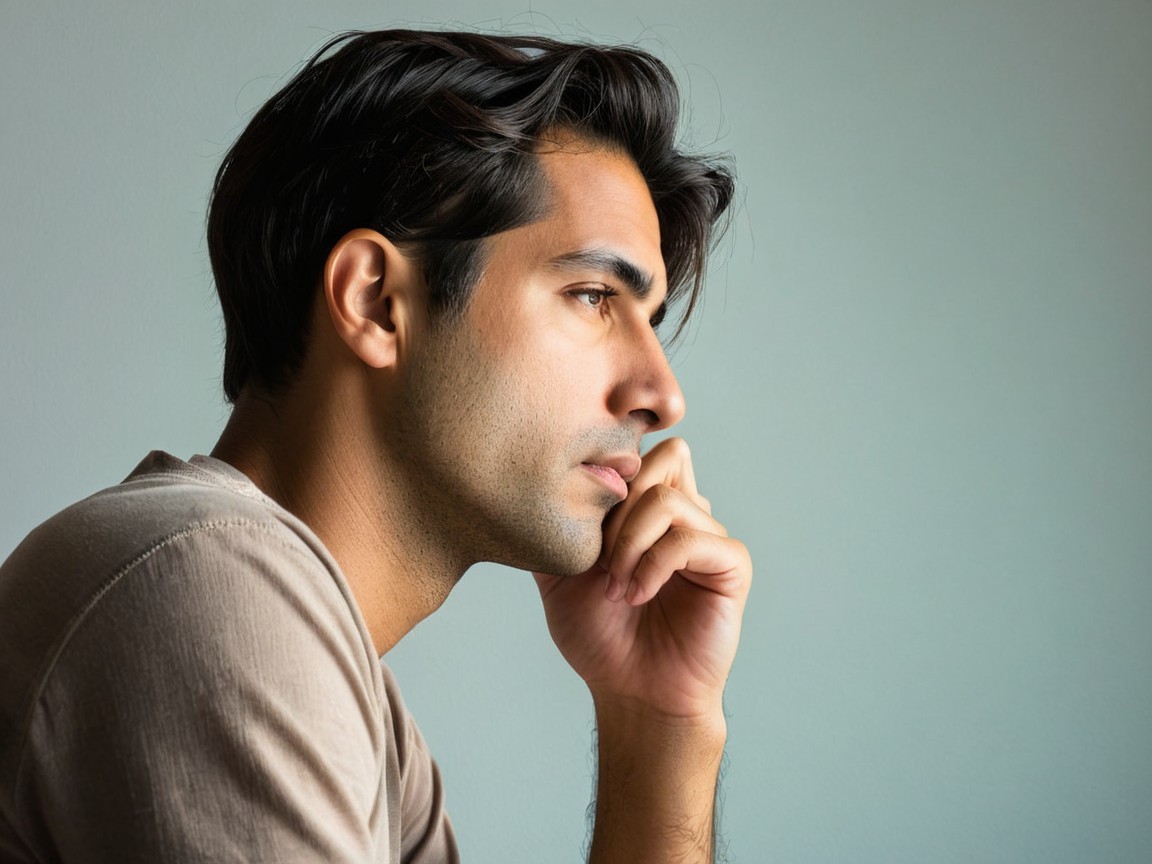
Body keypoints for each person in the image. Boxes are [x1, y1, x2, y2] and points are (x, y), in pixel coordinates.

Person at [0, 29, 751, 863]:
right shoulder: (206, 582)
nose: (662, 396)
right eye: (591, 296)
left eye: (648, 322)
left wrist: (660, 729)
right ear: (377, 302)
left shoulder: (365, 721)